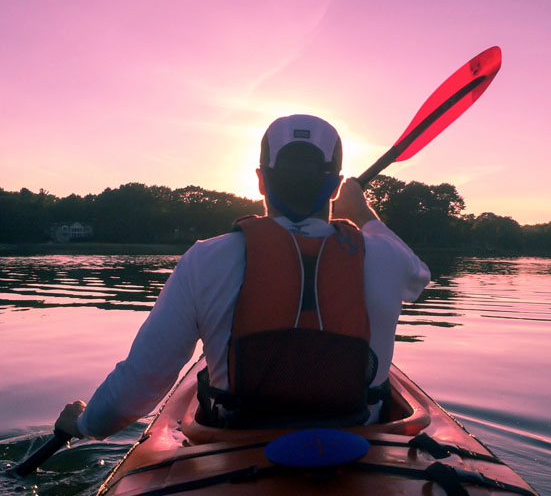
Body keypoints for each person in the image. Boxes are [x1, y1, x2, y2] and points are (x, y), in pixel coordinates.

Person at [55, 114, 430, 438]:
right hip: (362, 446)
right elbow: (420, 277)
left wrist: (85, 424)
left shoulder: (205, 259)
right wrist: (363, 212)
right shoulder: (385, 257)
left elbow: (137, 387)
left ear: (260, 181)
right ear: (334, 186)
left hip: (238, 449)